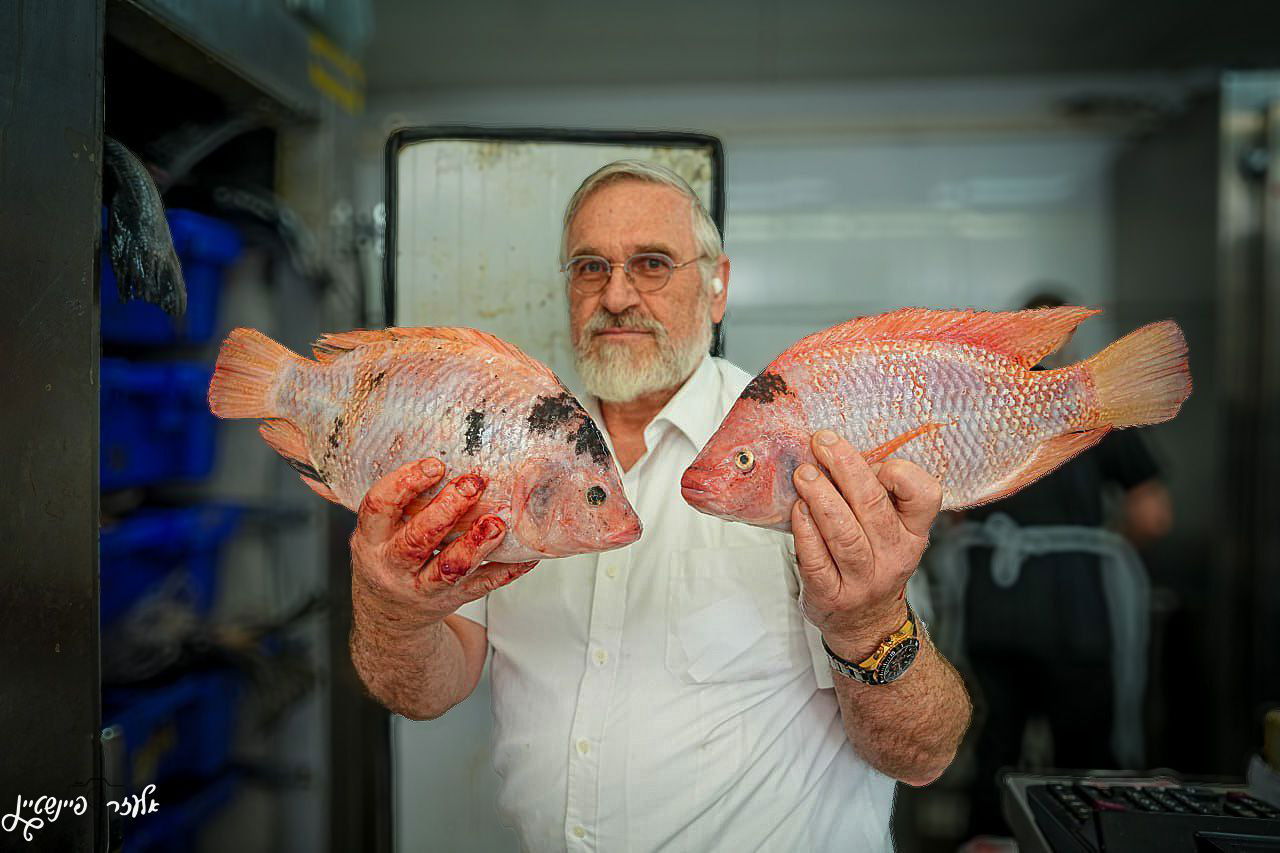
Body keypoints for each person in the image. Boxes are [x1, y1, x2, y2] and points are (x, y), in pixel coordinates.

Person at [348, 161, 972, 851]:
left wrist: (868, 624)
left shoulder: (799, 451)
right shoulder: (503, 450)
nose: (616, 295)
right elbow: (430, 687)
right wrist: (394, 617)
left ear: (717, 286)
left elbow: (922, 752)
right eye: (590, 267)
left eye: (651, 263)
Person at [958, 292, 1173, 840]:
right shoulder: (1095, 406)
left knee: (995, 752)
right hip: (1075, 611)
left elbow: (954, 516)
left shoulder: (973, 408)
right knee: (1085, 764)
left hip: (993, 611)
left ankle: (991, 843)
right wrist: (1088, 544)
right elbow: (1152, 516)